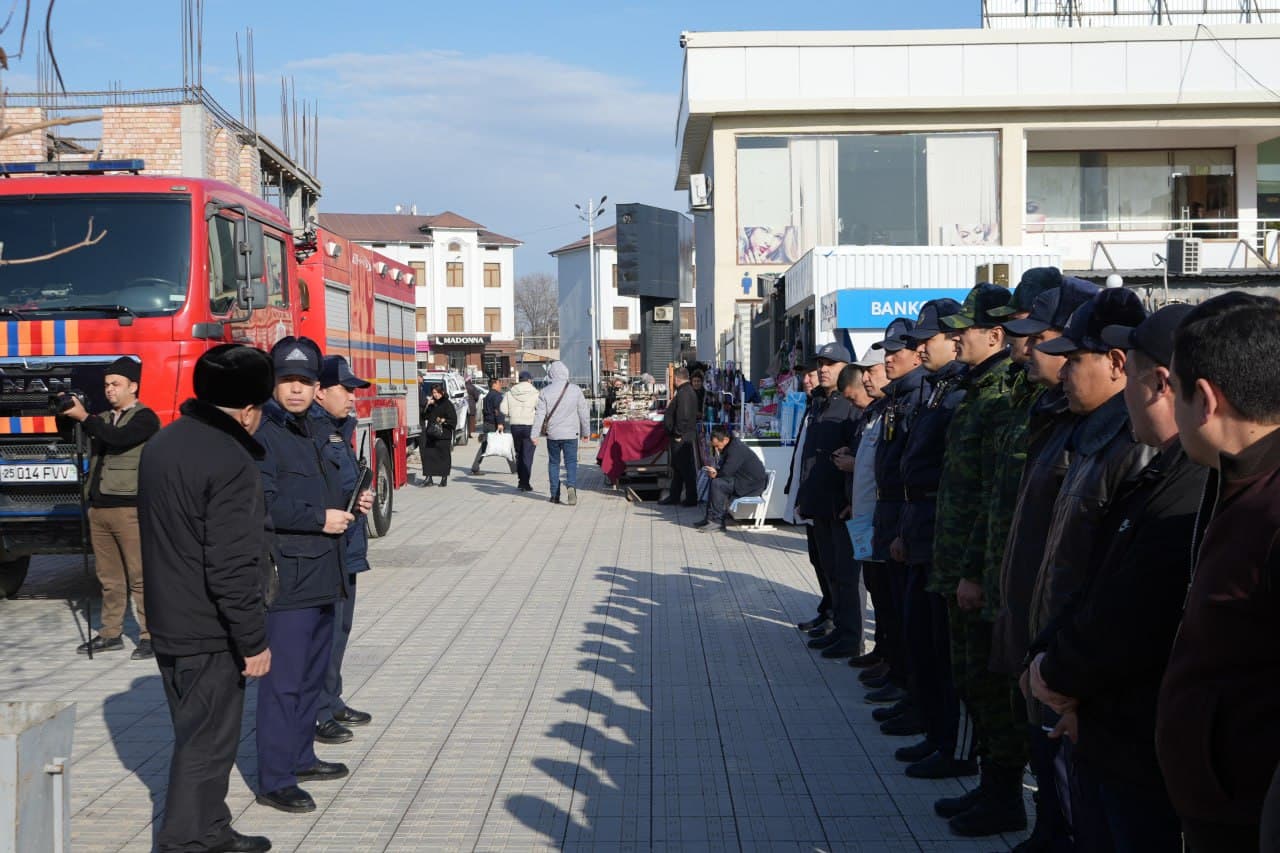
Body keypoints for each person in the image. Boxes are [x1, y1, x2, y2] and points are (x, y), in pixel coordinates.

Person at [1025, 304, 1202, 853]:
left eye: (1075, 359)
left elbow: (1137, 612)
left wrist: (1060, 676)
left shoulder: (1193, 486)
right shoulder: (1161, 470)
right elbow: (1094, 581)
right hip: (1101, 721)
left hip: (1133, 738)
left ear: (1160, 382)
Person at [1024, 287, 1152, 847]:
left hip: (1090, 681)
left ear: (1117, 364)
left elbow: (1115, 590)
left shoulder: (1136, 448)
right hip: (1059, 653)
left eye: (1076, 360)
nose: (1063, 371)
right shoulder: (1088, 434)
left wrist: (1072, 674)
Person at [1157, 293, 1280, 852]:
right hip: (1218, 802)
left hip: (1249, 818)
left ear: (1203, 399)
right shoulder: (1233, 481)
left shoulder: (1269, 509)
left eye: (1172, 391)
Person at [139, 344, 275, 853]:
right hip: (209, 627)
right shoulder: (231, 460)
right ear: (247, 410)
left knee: (197, 734)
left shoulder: (164, 442)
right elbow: (232, 563)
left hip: (168, 618)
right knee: (207, 745)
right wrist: (253, 639)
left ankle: (212, 829)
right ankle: (184, 842)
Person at [990, 276, 1098, 849]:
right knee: (1044, 754)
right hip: (1031, 613)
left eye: (1051, 343)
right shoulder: (1054, 415)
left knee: (1070, 772)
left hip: (1065, 632)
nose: (1030, 349)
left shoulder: (1113, 437)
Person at [930, 282, 1027, 837]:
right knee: (973, 681)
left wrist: (971, 570)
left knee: (992, 689)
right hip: (966, 562)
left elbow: (995, 493)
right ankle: (993, 788)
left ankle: (1005, 795)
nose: (952, 339)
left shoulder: (1002, 397)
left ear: (994, 334)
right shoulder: (982, 391)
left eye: (962, 331)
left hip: (983, 569)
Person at [254, 336, 351, 814]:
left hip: (325, 572)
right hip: (287, 576)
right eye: (287, 380)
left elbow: (326, 486)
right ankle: (275, 777)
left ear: (317, 387)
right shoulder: (264, 433)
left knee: (312, 676)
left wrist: (353, 503)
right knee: (284, 682)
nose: (296, 390)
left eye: (305, 381)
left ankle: (301, 756)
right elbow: (264, 504)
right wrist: (319, 518)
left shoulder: (315, 427)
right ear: (273, 383)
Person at [891, 299, 974, 781]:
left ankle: (955, 747)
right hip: (921, 523)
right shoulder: (939, 390)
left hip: (945, 528)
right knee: (921, 638)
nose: (921, 347)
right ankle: (935, 732)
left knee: (948, 654)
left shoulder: (961, 392)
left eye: (930, 339)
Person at [64, 356, 161, 659]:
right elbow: (75, 434)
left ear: (133, 386)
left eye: (116, 384)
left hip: (129, 509)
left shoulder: (145, 418)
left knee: (140, 575)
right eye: (106, 385)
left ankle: (151, 635)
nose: (109, 390)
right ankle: (110, 633)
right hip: (100, 508)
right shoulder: (103, 418)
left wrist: (85, 418)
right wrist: (65, 412)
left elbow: (119, 439)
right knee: (108, 578)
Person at [312, 356, 376, 747]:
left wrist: (362, 497)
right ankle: (317, 711)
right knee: (326, 632)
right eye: (346, 389)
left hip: (347, 544)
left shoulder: (338, 428)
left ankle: (331, 699)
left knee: (341, 629)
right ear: (320, 392)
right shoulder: (314, 433)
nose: (353, 397)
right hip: (326, 548)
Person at [868, 317, 927, 733]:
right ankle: (904, 684)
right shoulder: (899, 398)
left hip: (912, 515)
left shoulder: (922, 395)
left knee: (916, 622)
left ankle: (917, 696)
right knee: (893, 605)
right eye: (884, 353)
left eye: (895, 353)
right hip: (894, 510)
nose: (888, 360)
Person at [798, 342, 863, 660]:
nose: (823, 368)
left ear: (845, 369)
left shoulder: (851, 406)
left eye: (831, 364)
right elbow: (809, 457)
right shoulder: (819, 403)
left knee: (847, 575)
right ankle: (838, 626)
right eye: (821, 363)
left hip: (841, 506)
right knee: (829, 569)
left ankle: (852, 636)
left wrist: (851, 498)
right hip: (819, 504)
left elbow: (857, 457)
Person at [530, 361, 590, 506]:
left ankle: (554, 494)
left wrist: (534, 434)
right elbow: (583, 412)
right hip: (571, 434)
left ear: (551, 374)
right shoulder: (575, 390)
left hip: (553, 435)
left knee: (554, 463)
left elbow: (539, 415)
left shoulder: (545, 391)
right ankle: (571, 486)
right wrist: (586, 432)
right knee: (571, 462)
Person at [694, 425, 768, 531]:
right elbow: (725, 470)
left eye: (717, 446)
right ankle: (710, 519)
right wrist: (716, 473)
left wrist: (716, 474)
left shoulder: (736, 449)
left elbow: (727, 471)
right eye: (714, 446)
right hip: (744, 481)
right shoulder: (730, 446)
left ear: (725, 440)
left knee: (717, 483)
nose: (716, 449)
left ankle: (717, 521)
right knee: (715, 481)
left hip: (751, 486)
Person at [661, 367, 701, 506]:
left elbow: (683, 416)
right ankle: (674, 496)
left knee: (685, 468)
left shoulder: (684, 392)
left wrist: (678, 433)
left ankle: (691, 499)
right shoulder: (686, 391)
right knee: (679, 467)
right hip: (684, 435)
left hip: (682, 436)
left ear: (677, 379)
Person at [502, 371, 540, 492]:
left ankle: (520, 481)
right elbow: (540, 409)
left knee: (519, 453)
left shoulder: (510, 392)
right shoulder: (535, 393)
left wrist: (510, 414)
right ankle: (525, 482)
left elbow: (503, 408)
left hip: (515, 426)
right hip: (529, 426)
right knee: (527, 455)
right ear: (529, 380)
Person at [471, 377, 514, 476]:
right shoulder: (497, 396)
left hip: (487, 424)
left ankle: (475, 467)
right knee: (505, 446)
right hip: (494, 424)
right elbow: (498, 410)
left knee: (484, 446)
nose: (500, 385)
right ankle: (514, 468)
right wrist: (500, 423)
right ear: (494, 384)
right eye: (499, 383)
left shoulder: (487, 396)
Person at [420, 383, 457, 487]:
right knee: (428, 455)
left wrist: (443, 420)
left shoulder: (447, 404)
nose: (435, 395)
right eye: (433, 393)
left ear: (442, 392)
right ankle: (428, 478)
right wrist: (428, 404)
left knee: (443, 456)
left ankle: (444, 477)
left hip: (443, 435)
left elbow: (453, 419)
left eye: (436, 392)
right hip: (431, 434)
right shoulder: (432, 403)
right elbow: (424, 415)